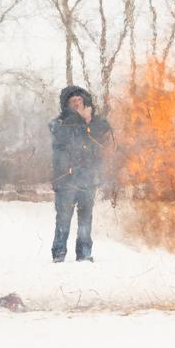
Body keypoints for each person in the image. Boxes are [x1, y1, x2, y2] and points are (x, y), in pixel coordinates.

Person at [50, 85, 113, 262]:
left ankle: (84, 254)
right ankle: (59, 254)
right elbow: (64, 137)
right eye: (73, 101)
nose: (77, 103)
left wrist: (88, 122)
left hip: (88, 179)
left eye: (79, 100)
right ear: (66, 104)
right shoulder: (59, 123)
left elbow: (102, 133)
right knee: (63, 219)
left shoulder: (95, 121)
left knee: (85, 219)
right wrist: (82, 122)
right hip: (65, 179)